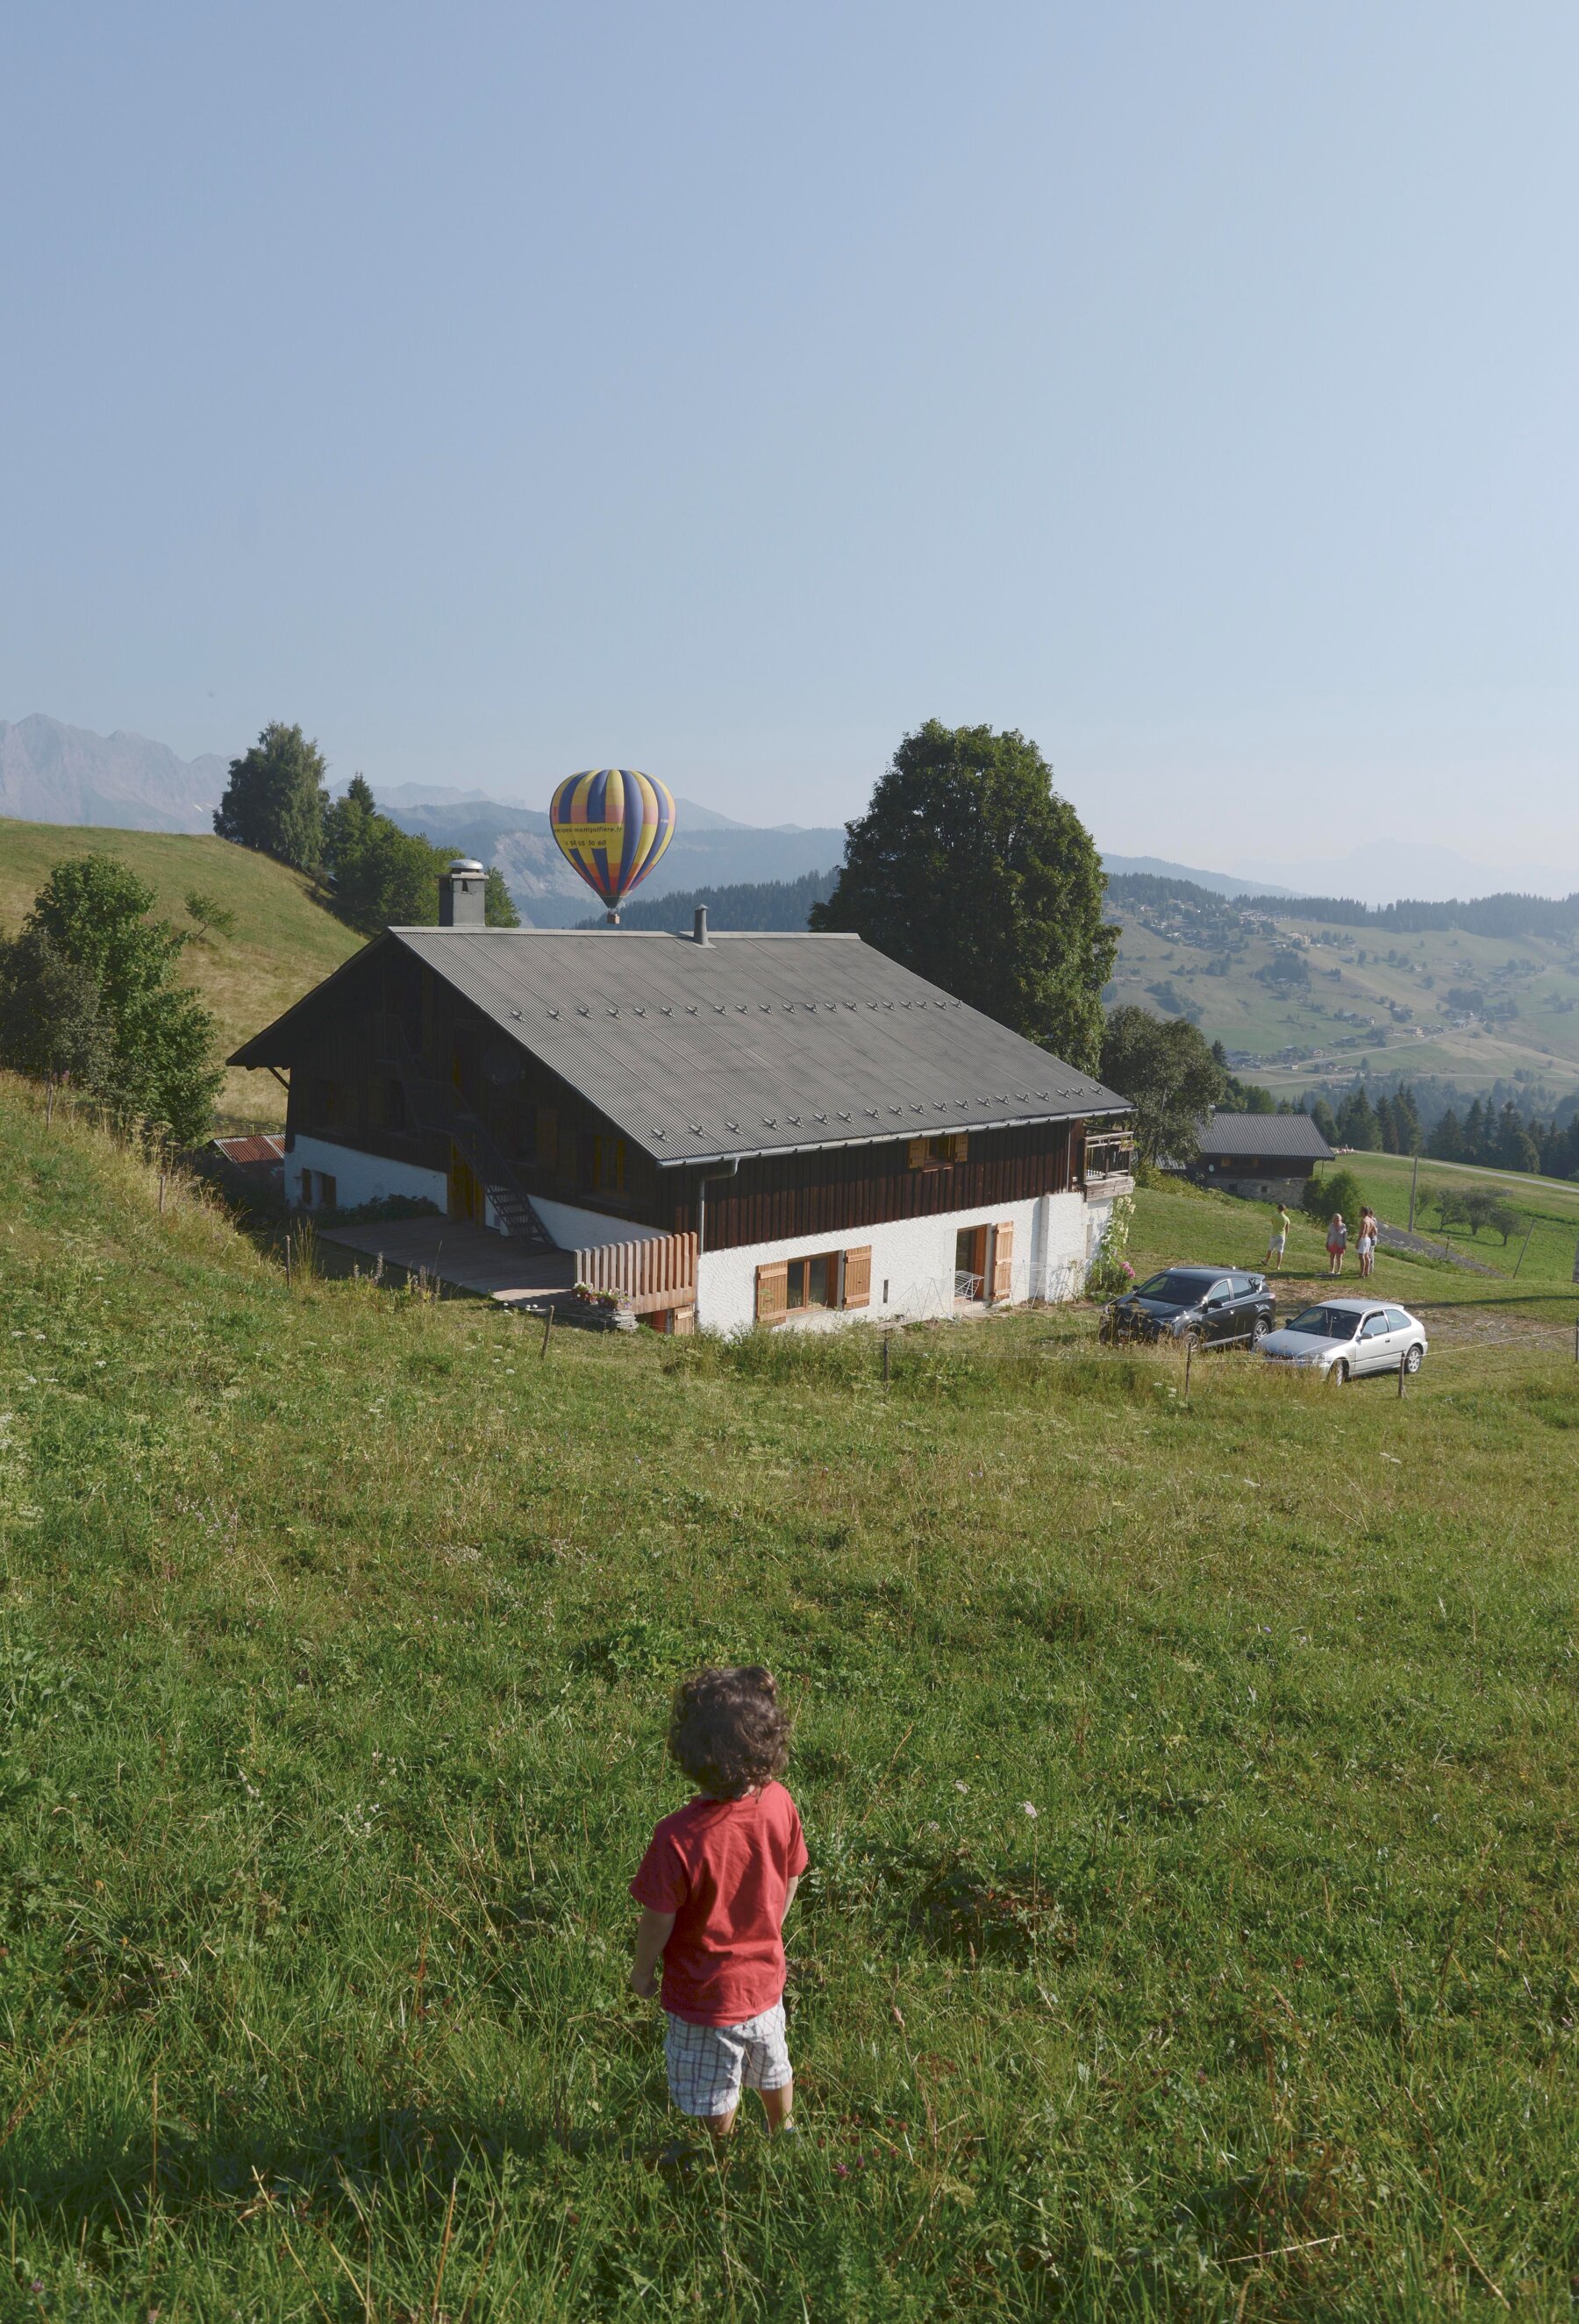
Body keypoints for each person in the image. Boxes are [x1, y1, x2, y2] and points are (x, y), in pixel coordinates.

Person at [630, 1665, 808, 2152]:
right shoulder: (779, 1804)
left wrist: (643, 1971)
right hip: (765, 1981)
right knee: (773, 2062)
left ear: (691, 1754)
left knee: (714, 2085)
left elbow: (658, 1919)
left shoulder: (677, 1837)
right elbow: (793, 1871)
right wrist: (774, 1924)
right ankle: (783, 2129)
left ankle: (719, 2150)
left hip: (703, 1996)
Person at [1266, 1203, 1291, 1272]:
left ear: (1278, 1209)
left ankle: (1266, 1261)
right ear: (1284, 1210)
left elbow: (1272, 1222)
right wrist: (1286, 1236)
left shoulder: (1274, 1216)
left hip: (1274, 1234)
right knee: (1280, 1251)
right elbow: (1287, 1228)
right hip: (1282, 1236)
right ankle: (1278, 1266)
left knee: (1270, 1249)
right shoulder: (1286, 1218)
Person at [1357, 1208, 1377, 1278]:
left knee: (1361, 1256)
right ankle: (1367, 1271)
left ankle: (1362, 1273)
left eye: (1360, 1211)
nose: (1359, 1213)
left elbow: (1362, 1232)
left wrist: (1358, 1242)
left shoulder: (1363, 1220)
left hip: (1363, 1239)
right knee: (1366, 1256)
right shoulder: (1371, 1220)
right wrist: (1371, 1234)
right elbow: (1375, 1232)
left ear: (1363, 1212)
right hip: (1368, 1239)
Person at [1326, 1211, 1347, 1276]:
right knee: (1332, 1256)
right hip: (1332, 1243)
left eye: (1339, 1219)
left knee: (1339, 1258)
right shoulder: (1331, 1225)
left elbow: (1345, 1236)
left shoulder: (1343, 1226)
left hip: (1340, 1244)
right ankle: (1332, 1270)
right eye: (1337, 1219)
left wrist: (1345, 1244)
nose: (1338, 1220)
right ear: (1334, 1219)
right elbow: (1329, 1234)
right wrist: (1327, 1242)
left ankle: (1338, 1271)